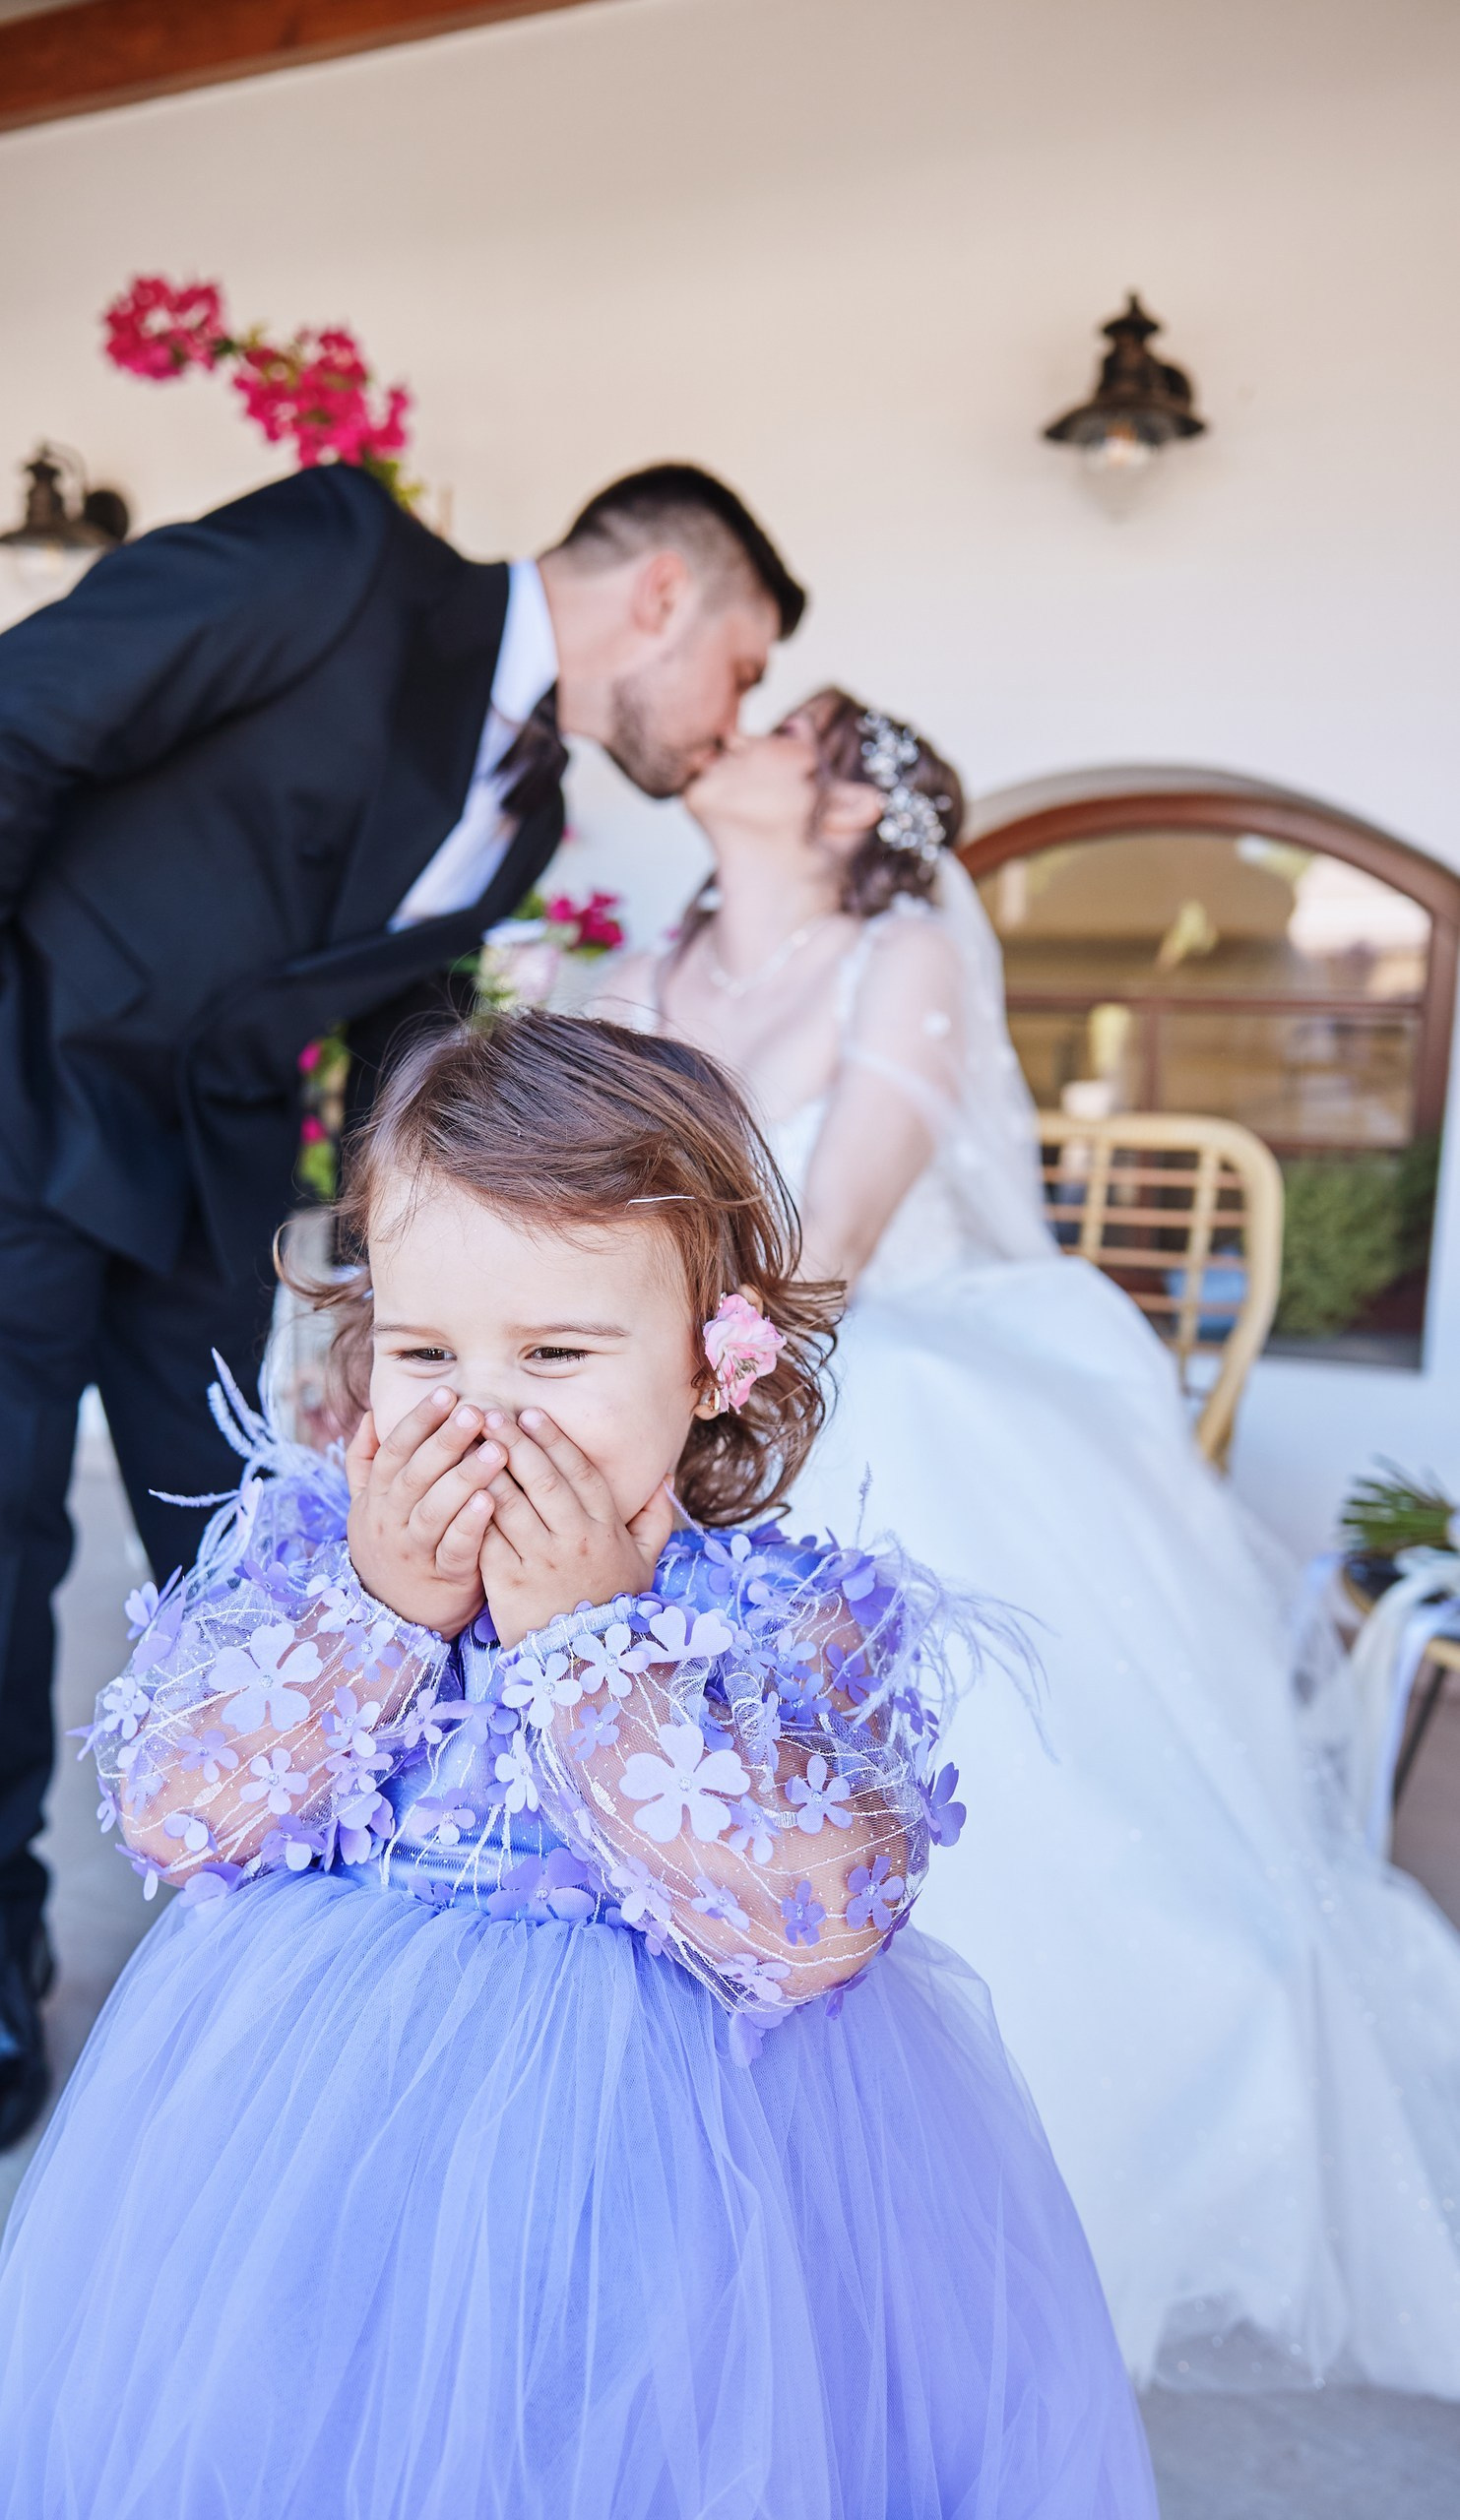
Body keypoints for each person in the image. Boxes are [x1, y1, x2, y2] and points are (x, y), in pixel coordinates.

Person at [0, 1012, 1155, 2519]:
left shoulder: (786, 1617)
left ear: (714, 1364)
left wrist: (590, 1651)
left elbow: (816, 1921)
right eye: (426, 1352)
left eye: (555, 1352)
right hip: (321, 2159)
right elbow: (173, 1811)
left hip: (679, 2203)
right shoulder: (315, 1565)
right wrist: (375, 1615)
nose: (480, 1411)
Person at [0, 462, 803, 2158]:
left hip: (207, 1174)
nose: (734, 713)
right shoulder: (348, 558)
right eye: (741, 665)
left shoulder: (525, 816)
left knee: (229, 1537)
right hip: (6, 1106)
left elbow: (402, 1047)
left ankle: (236, 1886)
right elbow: (28, 697)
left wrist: (391, 1303)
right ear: (664, 595)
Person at [590, 690, 1460, 2394]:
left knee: (904, 1428)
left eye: (782, 729)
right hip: (682, 1354)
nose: (734, 730)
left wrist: (672, 1379)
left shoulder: (904, 954)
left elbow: (831, 1240)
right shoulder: (647, 977)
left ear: (852, 810)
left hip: (860, 1342)